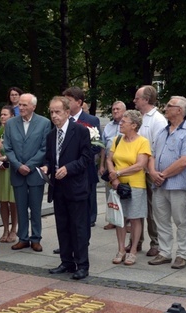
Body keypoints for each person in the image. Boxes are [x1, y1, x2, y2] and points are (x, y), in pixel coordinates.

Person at [42, 96, 92, 280]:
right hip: (58, 188)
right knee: (62, 226)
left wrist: (68, 168)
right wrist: (46, 166)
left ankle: (82, 265)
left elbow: (86, 158)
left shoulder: (79, 131)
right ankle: (66, 261)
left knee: (78, 227)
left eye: (57, 112)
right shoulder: (51, 135)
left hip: (76, 187)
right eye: (51, 112)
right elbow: (49, 157)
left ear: (67, 112)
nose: (54, 116)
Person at [147, 96, 186, 270]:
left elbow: (185, 161)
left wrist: (163, 174)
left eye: (170, 106)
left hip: (177, 184)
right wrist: (153, 172)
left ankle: (182, 255)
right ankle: (164, 252)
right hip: (159, 184)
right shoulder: (162, 131)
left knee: (181, 220)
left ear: (180, 110)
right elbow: (152, 155)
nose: (166, 108)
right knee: (161, 219)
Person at [5, 94, 50, 251]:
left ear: (33, 107)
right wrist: (18, 165)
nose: (21, 108)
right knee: (21, 207)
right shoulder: (11, 124)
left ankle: (36, 238)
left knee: (35, 208)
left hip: (34, 172)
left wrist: (29, 166)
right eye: (20, 105)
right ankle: (23, 238)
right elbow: (8, 147)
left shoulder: (44, 123)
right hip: (17, 172)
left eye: (25, 105)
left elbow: (44, 148)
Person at [106, 110, 150, 266]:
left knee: (135, 218)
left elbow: (140, 165)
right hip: (117, 184)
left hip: (135, 185)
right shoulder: (117, 140)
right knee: (120, 218)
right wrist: (114, 176)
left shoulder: (142, 142)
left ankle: (133, 251)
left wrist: (118, 172)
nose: (121, 123)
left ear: (134, 125)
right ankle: (120, 249)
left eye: (124, 121)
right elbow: (109, 158)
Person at [133, 85, 167, 256]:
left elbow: (158, 149)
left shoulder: (158, 120)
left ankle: (156, 243)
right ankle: (136, 242)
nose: (134, 101)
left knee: (153, 210)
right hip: (137, 170)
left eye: (137, 98)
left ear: (146, 100)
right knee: (136, 207)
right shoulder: (139, 117)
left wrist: (152, 170)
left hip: (150, 171)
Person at [64, 86, 101, 227]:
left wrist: (80, 158)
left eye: (69, 100)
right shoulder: (62, 119)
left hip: (85, 169)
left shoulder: (91, 120)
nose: (65, 104)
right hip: (66, 170)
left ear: (79, 102)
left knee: (86, 208)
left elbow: (97, 146)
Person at [100, 100, 126, 230]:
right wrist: (101, 165)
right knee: (109, 192)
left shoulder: (128, 125)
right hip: (110, 163)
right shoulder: (108, 126)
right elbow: (103, 147)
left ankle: (127, 221)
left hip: (124, 164)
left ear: (124, 111)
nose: (115, 111)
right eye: (113, 109)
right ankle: (112, 219)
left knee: (124, 191)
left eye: (118, 109)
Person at [0, 105, 17, 244]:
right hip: (0, 170)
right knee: (3, 201)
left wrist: (6, 158)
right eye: (1, 114)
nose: (2, 117)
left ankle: (14, 228)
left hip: (12, 169)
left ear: (12, 116)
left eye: (5, 114)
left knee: (13, 201)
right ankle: (5, 229)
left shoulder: (16, 131)